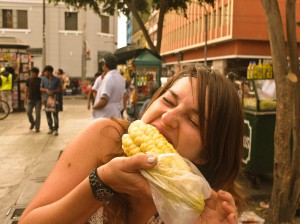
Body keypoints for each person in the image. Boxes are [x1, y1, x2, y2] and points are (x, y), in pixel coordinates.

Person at [19, 65, 243, 224]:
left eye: (193, 120)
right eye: (167, 101)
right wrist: (101, 182)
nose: (167, 118)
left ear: (206, 154)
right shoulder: (104, 137)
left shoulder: (202, 209)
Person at [92, 53, 126, 119]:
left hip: (105, 116)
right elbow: (125, 95)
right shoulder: (120, 78)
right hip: (116, 114)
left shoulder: (108, 79)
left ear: (104, 65)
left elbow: (104, 101)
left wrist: (94, 107)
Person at [40, 65, 62, 136]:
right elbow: (40, 88)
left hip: (54, 98)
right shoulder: (43, 79)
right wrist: (46, 90)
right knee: (48, 114)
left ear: (49, 72)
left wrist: (53, 91)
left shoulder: (57, 79)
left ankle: (56, 129)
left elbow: (60, 89)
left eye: (45, 71)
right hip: (46, 99)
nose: (44, 73)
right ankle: (50, 128)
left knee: (55, 114)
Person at [24, 67, 42, 132]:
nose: (32, 74)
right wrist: (25, 98)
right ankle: (32, 123)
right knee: (28, 112)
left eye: (34, 73)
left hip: (38, 99)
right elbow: (26, 89)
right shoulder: (28, 80)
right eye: (32, 73)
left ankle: (37, 128)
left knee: (38, 114)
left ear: (37, 73)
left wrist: (42, 99)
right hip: (30, 99)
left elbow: (42, 90)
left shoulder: (40, 80)